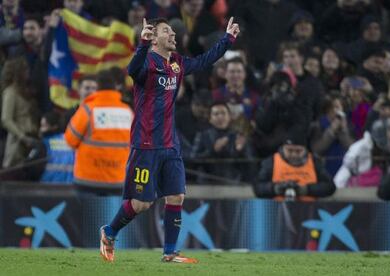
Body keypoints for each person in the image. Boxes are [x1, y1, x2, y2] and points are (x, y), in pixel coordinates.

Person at [99, 17, 240, 263]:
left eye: (173, 31)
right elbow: (132, 70)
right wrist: (142, 43)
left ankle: (169, 252)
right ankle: (109, 232)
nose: (173, 34)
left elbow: (205, 61)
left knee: (176, 196)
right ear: (154, 37)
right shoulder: (146, 63)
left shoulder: (176, 63)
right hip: (145, 145)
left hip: (170, 145)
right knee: (142, 204)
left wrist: (227, 40)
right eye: (167, 31)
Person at [64, 70, 133, 193]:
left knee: (88, 212)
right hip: (118, 179)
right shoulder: (128, 112)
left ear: (98, 87)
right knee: (111, 212)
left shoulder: (88, 109)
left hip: (88, 179)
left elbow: (70, 141)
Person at [254, 129, 336, 201]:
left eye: (298, 151)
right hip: (278, 209)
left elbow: (330, 187)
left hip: (309, 210)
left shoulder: (314, 161)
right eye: (289, 150)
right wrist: (276, 189)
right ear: (283, 148)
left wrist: (306, 190)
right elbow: (258, 188)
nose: (294, 155)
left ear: (305, 150)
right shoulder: (271, 162)